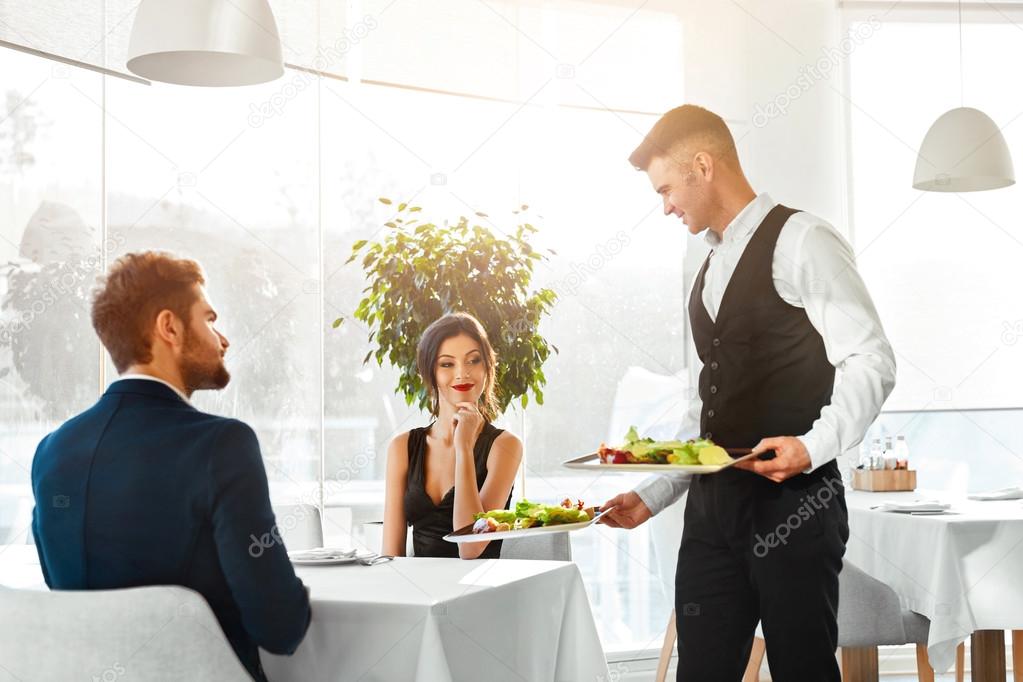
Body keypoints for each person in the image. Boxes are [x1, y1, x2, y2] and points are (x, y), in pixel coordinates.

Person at [599, 105, 896, 681]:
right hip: (712, 516)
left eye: (666, 189)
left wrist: (813, 446)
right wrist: (654, 493)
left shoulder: (803, 239)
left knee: (801, 671)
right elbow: (707, 410)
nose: (665, 206)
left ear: (702, 166)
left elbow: (870, 357)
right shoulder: (708, 267)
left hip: (796, 506)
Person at [31, 251, 310, 681]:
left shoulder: (51, 453)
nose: (223, 339)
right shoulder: (223, 444)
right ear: (170, 327)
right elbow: (280, 627)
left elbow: (70, 600)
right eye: (210, 319)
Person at [382, 312, 522, 560]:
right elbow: (390, 556)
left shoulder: (505, 446)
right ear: (431, 372)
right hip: (420, 593)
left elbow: (470, 547)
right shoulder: (402, 447)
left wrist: (464, 448)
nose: (462, 373)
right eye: (447, 364)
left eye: (473, 360)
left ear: (488, 367)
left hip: (480, 594)